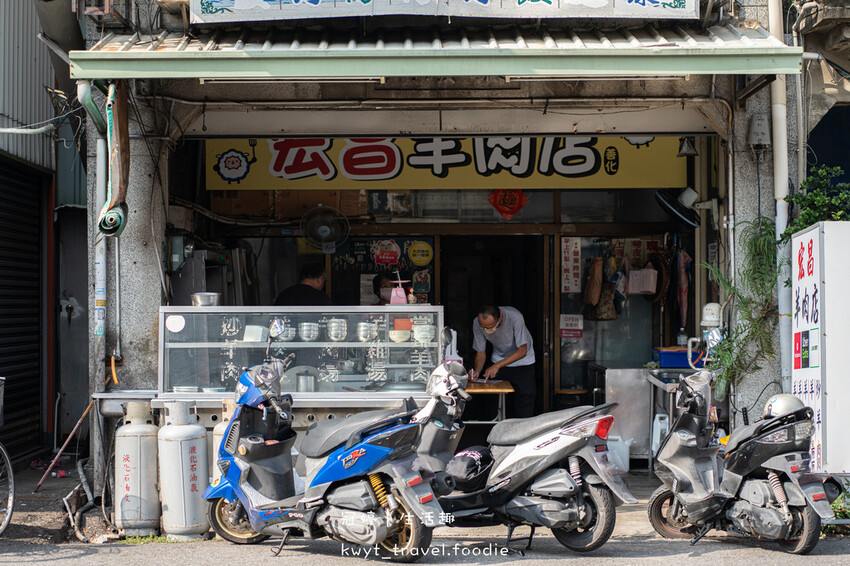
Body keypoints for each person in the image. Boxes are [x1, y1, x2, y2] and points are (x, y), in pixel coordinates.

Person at [471, 305, 536, 418]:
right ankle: (493, 430)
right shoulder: (477, 323)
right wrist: (476, 372)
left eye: (490, 328)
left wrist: (497, 365)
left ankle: (523, 432)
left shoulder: (515, 317)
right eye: (483, 328)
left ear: (499, 318)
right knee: (490, 396)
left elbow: (522, 351)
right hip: (499, 358)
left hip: (523, 361)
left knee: (525, 398)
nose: (486, 331)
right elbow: (481, 352)